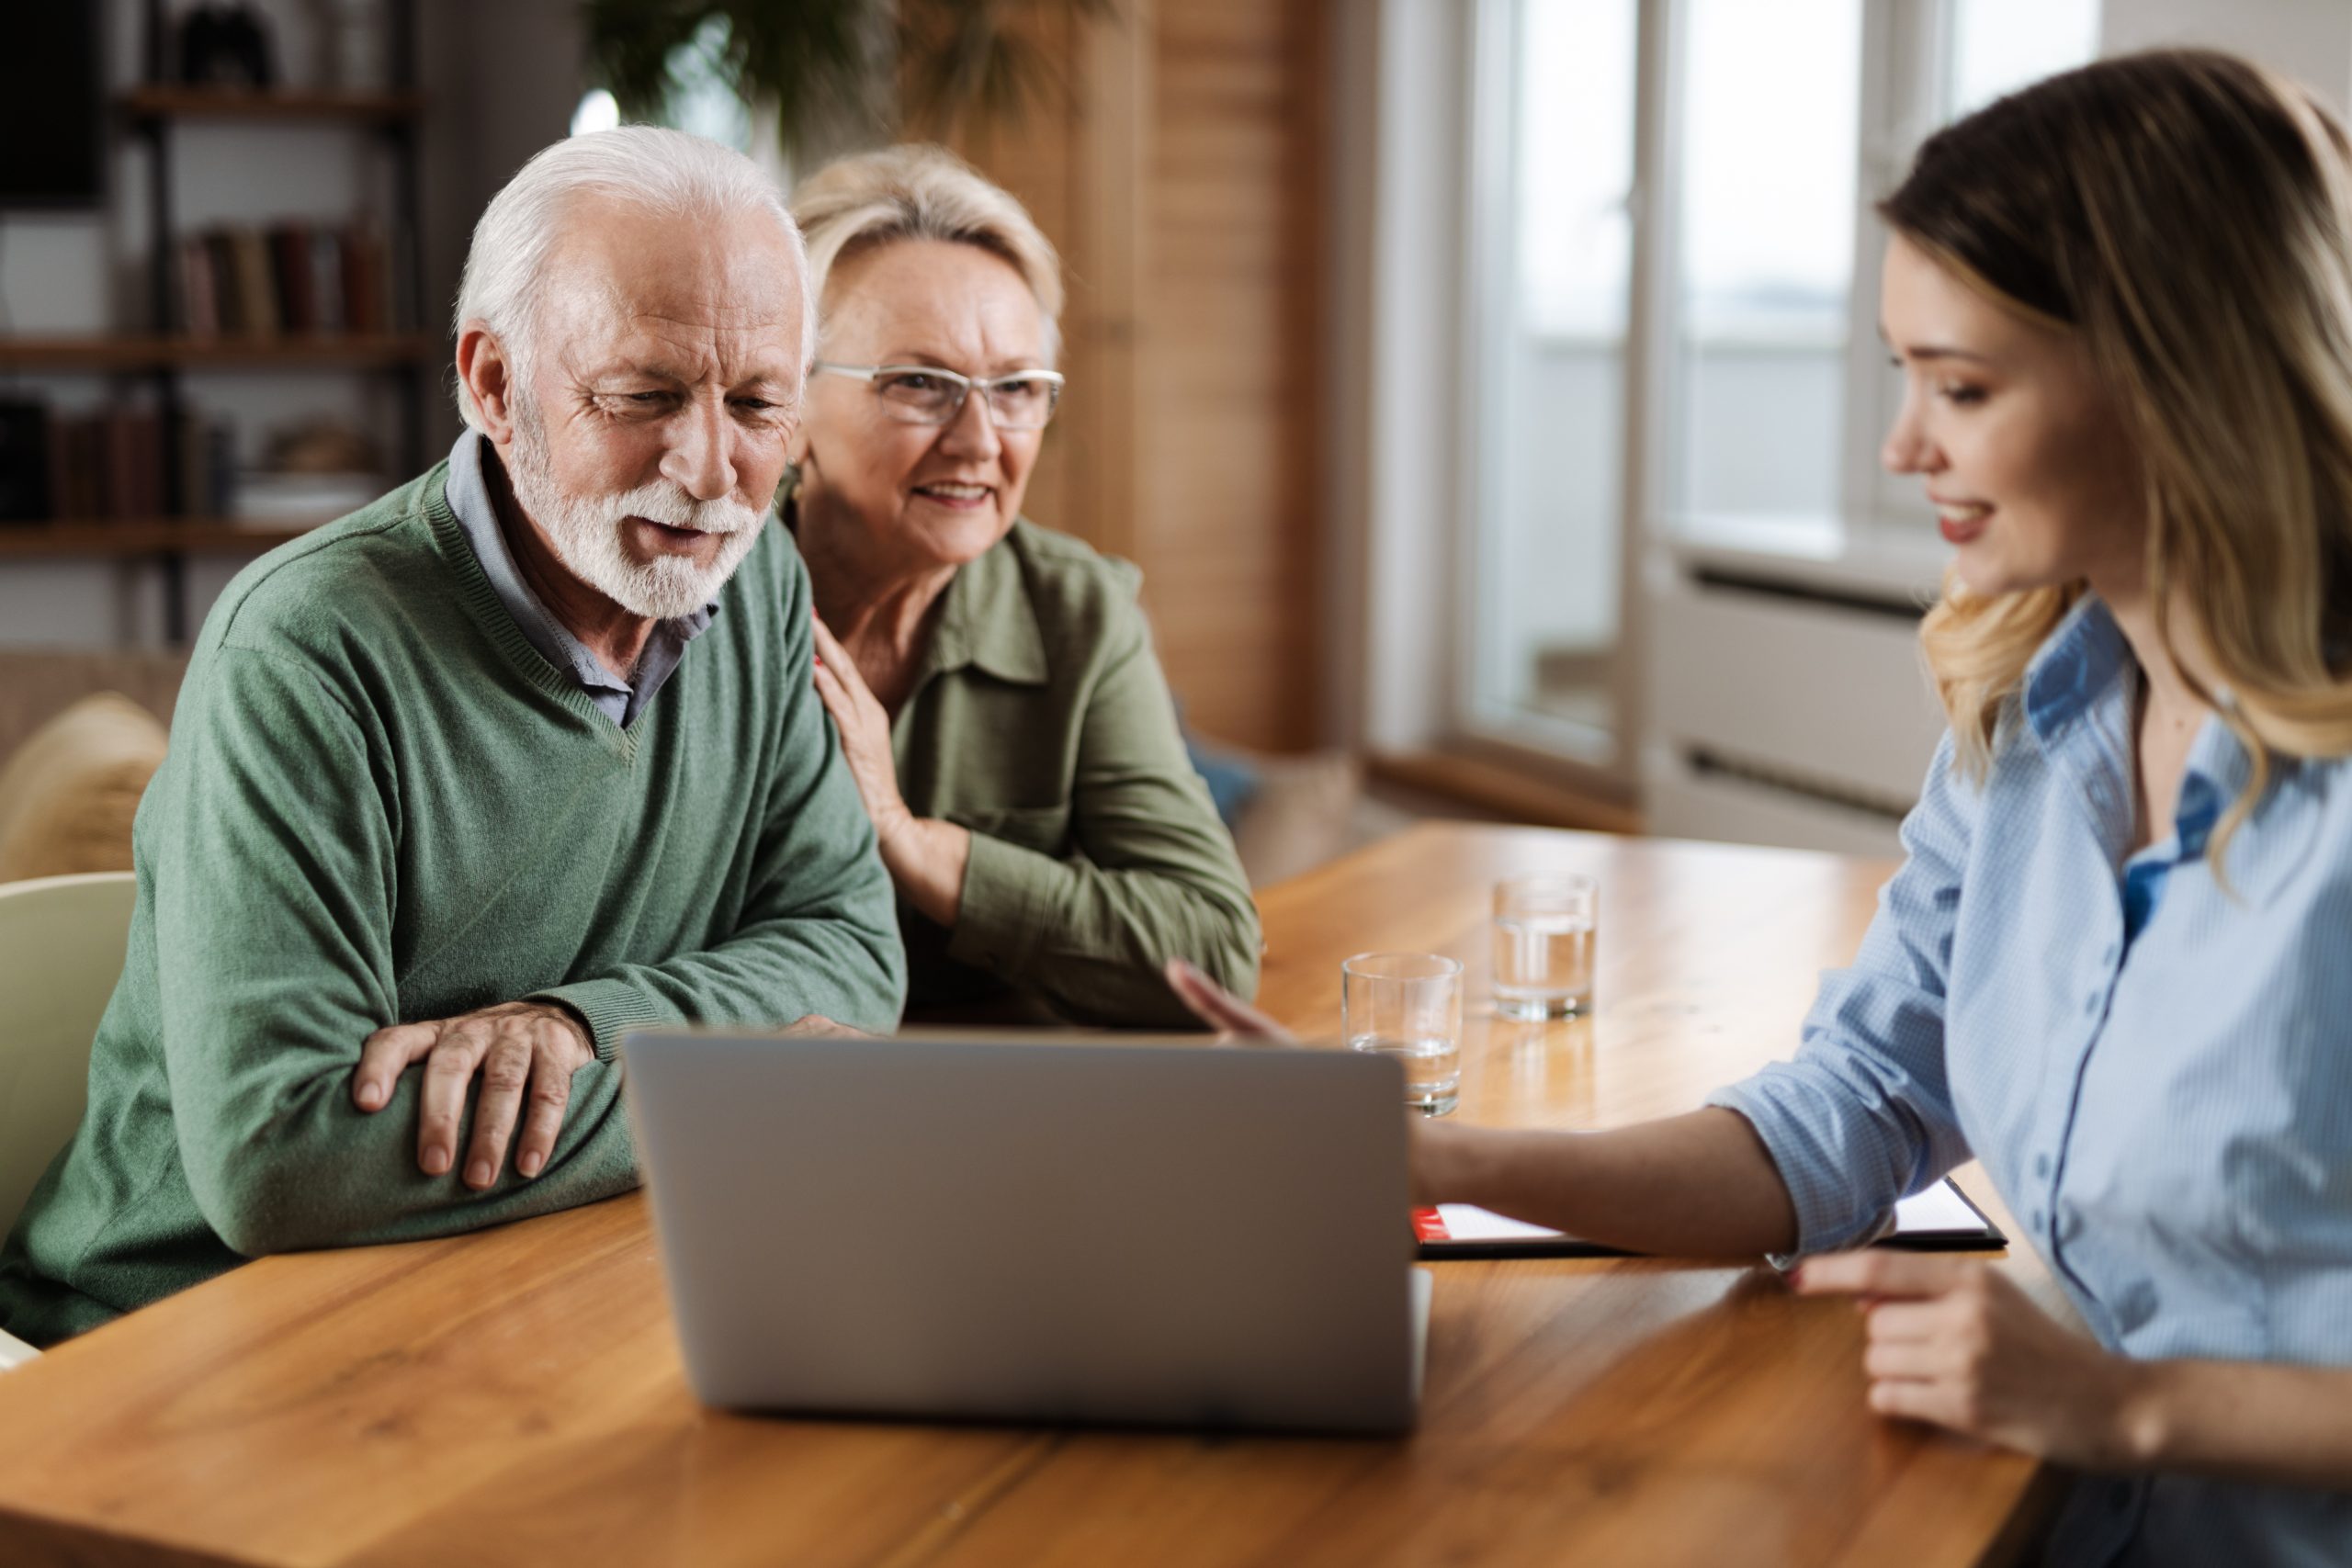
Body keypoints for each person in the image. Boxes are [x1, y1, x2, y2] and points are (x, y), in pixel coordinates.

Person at [1172, 51, 2352, 1566]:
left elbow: (2119, 1387)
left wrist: (2123, 1403)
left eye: (1965, 387)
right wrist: (1431, 1159)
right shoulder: (2030, 716)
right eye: (1900, 374)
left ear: (2180, 380)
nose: (1901, 446)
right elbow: (1847, 1109)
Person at [0, 128, 906, 1346]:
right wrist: (729, 1092)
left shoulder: (759, 583)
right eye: (642, 397)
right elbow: (283, 1155)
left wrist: (582, 1024)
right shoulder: (304, 650)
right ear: (491, 382)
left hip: (508, 1292)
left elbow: (853, 952)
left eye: (757, 403)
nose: (710, 470)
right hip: (164, 1333)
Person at [781, 145, 1261, 1027]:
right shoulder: (694, 602)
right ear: (787, 402)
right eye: (920, 384)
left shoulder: (1080, 614)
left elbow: (1217, 954)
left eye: (1014, 389)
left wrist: (913, 841)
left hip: (1006, 1113)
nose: (979, 440)